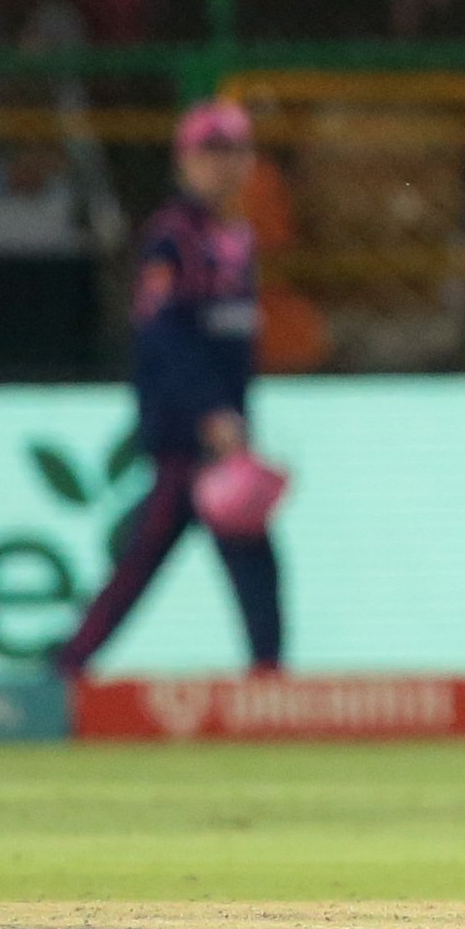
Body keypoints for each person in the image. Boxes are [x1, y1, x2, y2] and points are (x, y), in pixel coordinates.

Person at [54, 100, 283, 676]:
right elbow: (162, 336)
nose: (225, 166)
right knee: (151, 556)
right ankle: (69, 666)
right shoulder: (173, 237)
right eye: (212, 153)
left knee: (238, 557)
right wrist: (209, 411)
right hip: (188, 433)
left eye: (235, 152)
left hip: (221, 432)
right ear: (185, 161)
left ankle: (268, 677)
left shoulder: (237, 238)